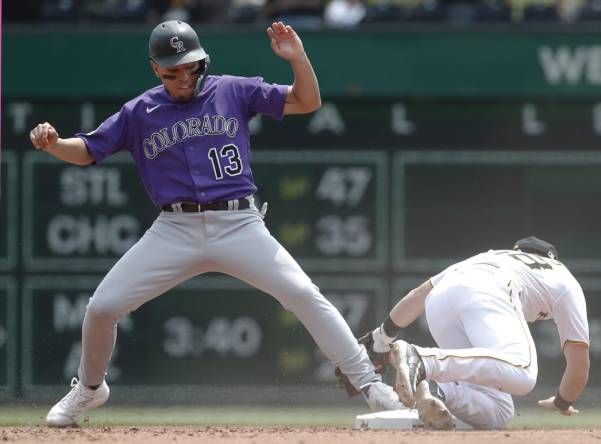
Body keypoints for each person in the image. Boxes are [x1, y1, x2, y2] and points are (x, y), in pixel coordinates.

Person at [29, 20, 404, 427]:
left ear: (202, 61)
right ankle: (89, 388)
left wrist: (297, 57)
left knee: (302, 293)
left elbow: (307, 101)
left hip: (238, 221)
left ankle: (369, 384)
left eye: (190, 66)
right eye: (173, 70)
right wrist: (55, 144)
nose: (183, 77)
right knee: (102, 307)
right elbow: (87, 151)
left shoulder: (232, 90)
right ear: (155, 68)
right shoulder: (140, 111)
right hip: (174, 228)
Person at [362, 236, 590, 429]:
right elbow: (579, 367)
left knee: (499, 410)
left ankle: (437, 390)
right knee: (524, 372)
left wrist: (381, 338)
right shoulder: (564, 279)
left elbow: (418, 296)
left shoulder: (492, 256)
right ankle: (423, 360)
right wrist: (562, 402)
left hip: (441, 300)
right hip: (490, 290)